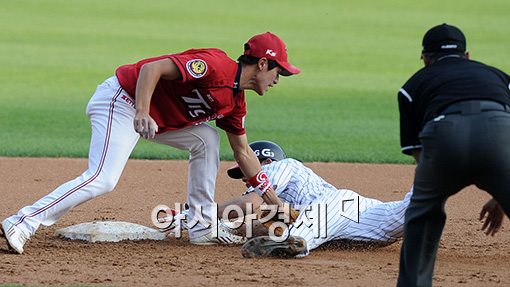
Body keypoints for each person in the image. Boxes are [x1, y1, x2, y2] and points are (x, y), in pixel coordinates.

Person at [1, 32, 300, 254]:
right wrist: (142, 111)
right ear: (262, 64)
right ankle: (21, 222)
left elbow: (243, 152)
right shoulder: (215, 66)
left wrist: (277, 205)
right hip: (122, 101)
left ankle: (202, 224)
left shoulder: (235, 102)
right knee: (103, 179)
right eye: (279, 71)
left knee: (207, 139)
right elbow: (152, 69)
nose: (279, 78)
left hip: (151, 118)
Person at [396, 23, 510, 286]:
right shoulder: (499, 76)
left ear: (425, 58)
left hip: (444, 137)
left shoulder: (412, 85)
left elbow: (418, 154)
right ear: (467, 55)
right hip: (500, 133)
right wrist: (501, 190)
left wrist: (433, 192)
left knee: (422, 214)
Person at [163, 140, 413, 257]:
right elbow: (256, 224)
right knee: (407, 213)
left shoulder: (279, 167)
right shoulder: (275, 202)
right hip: (354, 218)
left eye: (247, 171)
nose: (245, 178)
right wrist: (225, 228)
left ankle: (292, 245)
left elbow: (249, 205)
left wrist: (197, 212)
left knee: (300, 235)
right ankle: (438, 180)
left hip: (337, 206)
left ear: (266, 161)